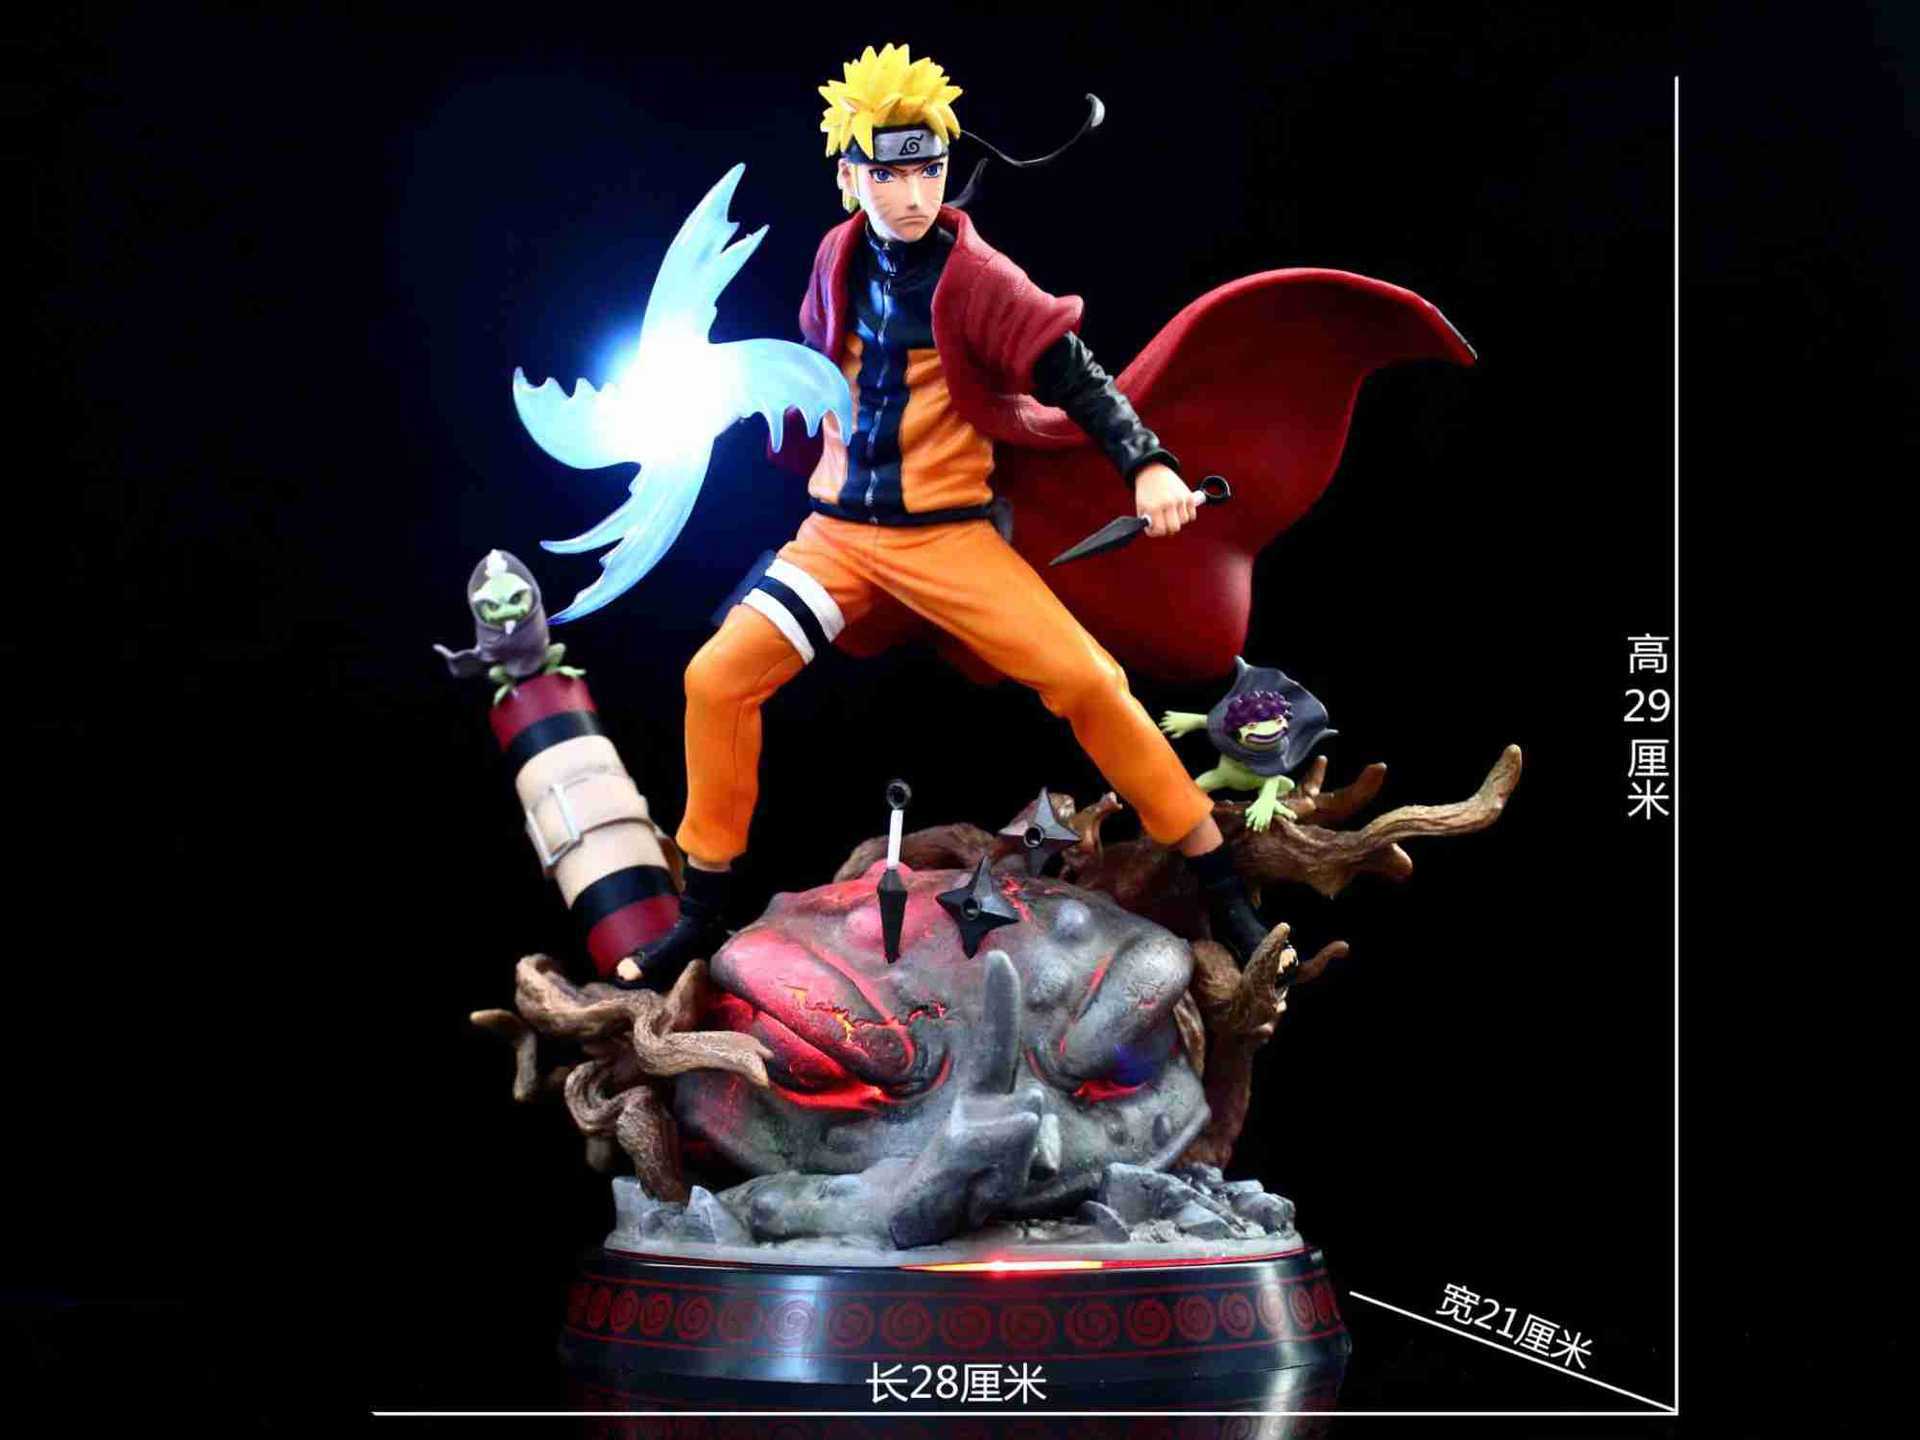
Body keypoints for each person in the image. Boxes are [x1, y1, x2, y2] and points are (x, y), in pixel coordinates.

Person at [616, 44, 1272, 986]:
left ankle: (1223, 887)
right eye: (888, 174)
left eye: (927, 170)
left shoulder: (979, 277)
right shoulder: (835, 256)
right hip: (838, 540)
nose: (912, 193)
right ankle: (700, 913)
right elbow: (817, 374)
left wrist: (1148, 462)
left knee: (1089, 681)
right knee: (717, 679)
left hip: (946, 539)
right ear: (850, 177)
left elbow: (1077, 377)